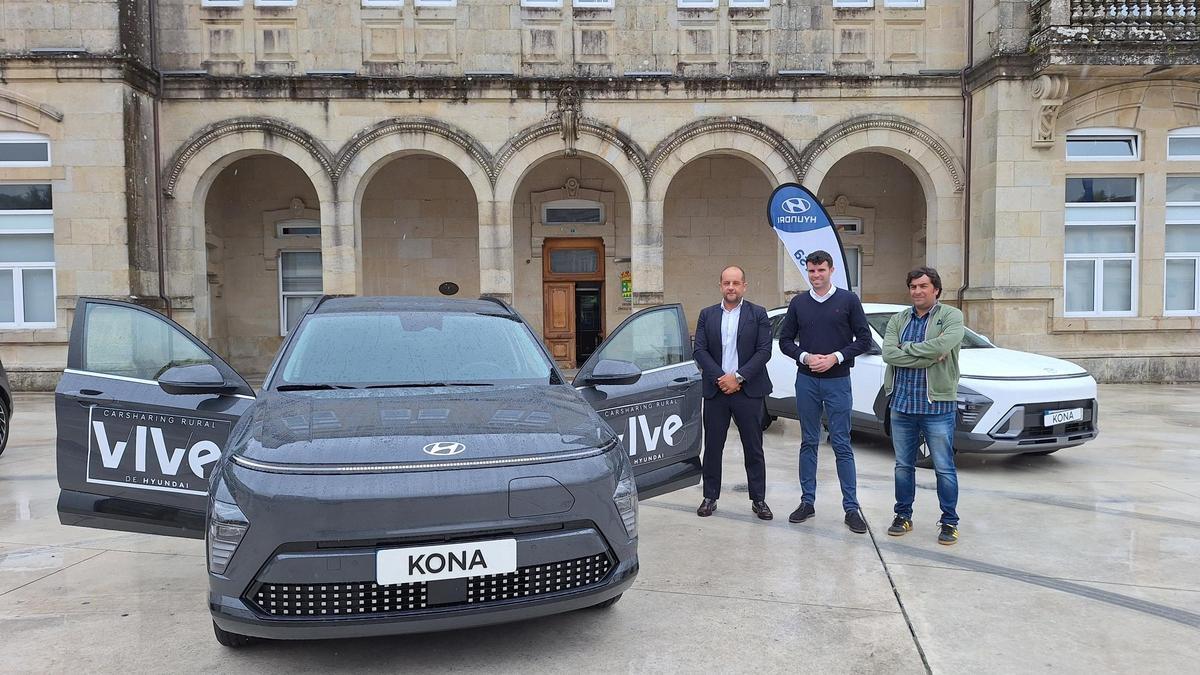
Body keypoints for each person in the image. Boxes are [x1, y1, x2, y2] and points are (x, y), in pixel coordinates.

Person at [777, 250, 872, 533]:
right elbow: (785, 341)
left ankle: (851, 507)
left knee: (841, 443)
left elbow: (864, 339)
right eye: (811, 271)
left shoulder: (848, 300)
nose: (816, 276)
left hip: (838, 381)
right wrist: (805, 356)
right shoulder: (799, 303)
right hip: (806, 380)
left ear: (831, 270)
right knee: (809, 441)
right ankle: (807, 502)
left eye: (820, 270)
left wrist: (836, 357)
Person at [881, 266, 964, 545]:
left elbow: (945, 345)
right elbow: (888, 354)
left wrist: (908, 350)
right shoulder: (899, 319)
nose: (917, 291)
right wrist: (928, 354)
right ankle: (903, 516)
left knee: (944, 467)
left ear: (936, 290)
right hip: (902, 405)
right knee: (903, 466)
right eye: (913, 286)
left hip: (937, 407)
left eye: (923, 286)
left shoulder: (951, 316)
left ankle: (949, 522)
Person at [692, 265, 774, 520]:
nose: (731, 287)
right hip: (717, 391)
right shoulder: (707, 315)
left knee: (753, 446)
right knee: (714, 446)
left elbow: (764, 351)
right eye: (726, 283)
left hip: (747, 390)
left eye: (736, 283)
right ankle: (710, 496)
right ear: (720, 286)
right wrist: (722, 378)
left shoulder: (758, 314)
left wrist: (737, 377)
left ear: (744, 286)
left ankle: (758, 499)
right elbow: (700, 351)